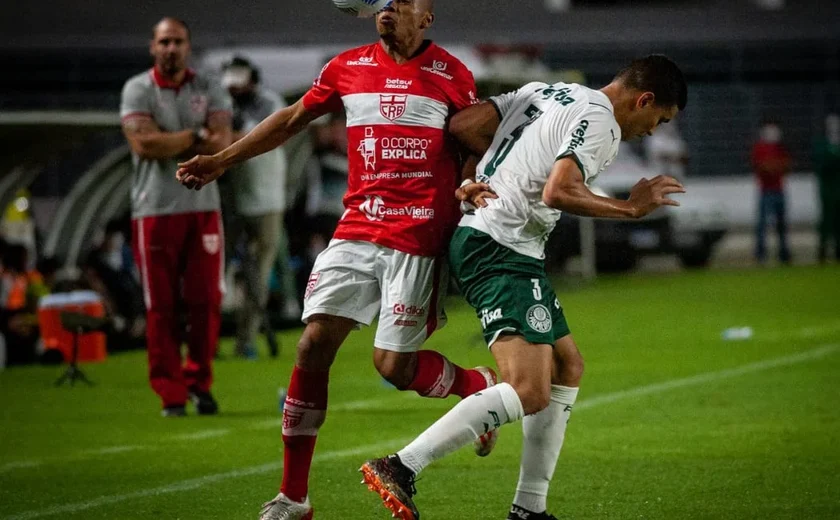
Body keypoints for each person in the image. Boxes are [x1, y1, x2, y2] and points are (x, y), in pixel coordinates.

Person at [176, 1, 500, 518]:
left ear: (428, 18)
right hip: (356, 229)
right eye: (384, 1)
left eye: (404, 1)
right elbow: (289, 120)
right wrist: (222, 159)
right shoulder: (346, 67)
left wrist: (468, 185)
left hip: (417, 236)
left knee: (394, 368)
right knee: (311, 346)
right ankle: (293, 497)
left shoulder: (452, 74)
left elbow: (474, 139)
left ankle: (475, 386)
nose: (390, 8)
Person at [360, 55, 687, 520]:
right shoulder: (602, 122)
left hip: (501, 243)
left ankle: (529, 509)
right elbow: (559, 191)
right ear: (645, 99)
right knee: (529, 390)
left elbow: (464, 125)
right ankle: (402, 465)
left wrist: (478, 176)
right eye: (660, 119)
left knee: (567, 366)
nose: (653, 130)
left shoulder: (550, 90)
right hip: (501, 247)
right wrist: (630, 208)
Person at [120, 17, 233, 417]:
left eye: (178, 41)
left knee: (206, 302)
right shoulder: (137, 88)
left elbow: (223, 141)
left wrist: (186, 137)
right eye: (164, 41)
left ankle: (199, 385)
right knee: (161, 306)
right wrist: (194, 135)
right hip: (153, 210)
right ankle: (170, 393)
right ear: (153, 46)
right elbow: (144, 144)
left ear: (188, 46)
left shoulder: (209, 85)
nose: (171, 48)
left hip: (203, 209)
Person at [220, 56, 292, 359]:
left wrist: (212, 140)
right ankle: (210, 340)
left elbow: (250, 138)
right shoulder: (225, 103)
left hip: (266, 201)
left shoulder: (268, 102)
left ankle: (245, 340)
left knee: (259, 273)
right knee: (217, 274)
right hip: (233, 200)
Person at [751, 121, 792, 264]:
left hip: (779, 190)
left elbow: (786, 165)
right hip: (765, 191)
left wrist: (773, 166)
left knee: (782, 225)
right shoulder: (760, 148)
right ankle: (760, 254)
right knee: (762, 225)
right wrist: (775, 166)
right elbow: (763, 168)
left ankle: (784, 253)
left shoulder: (780, 147)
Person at [814, 113, 840, 262]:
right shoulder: (822, 144)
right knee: (825, 221)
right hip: (827, 190)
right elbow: (822, 164)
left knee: (838, 222)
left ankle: (838, 250)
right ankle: (822, 250)